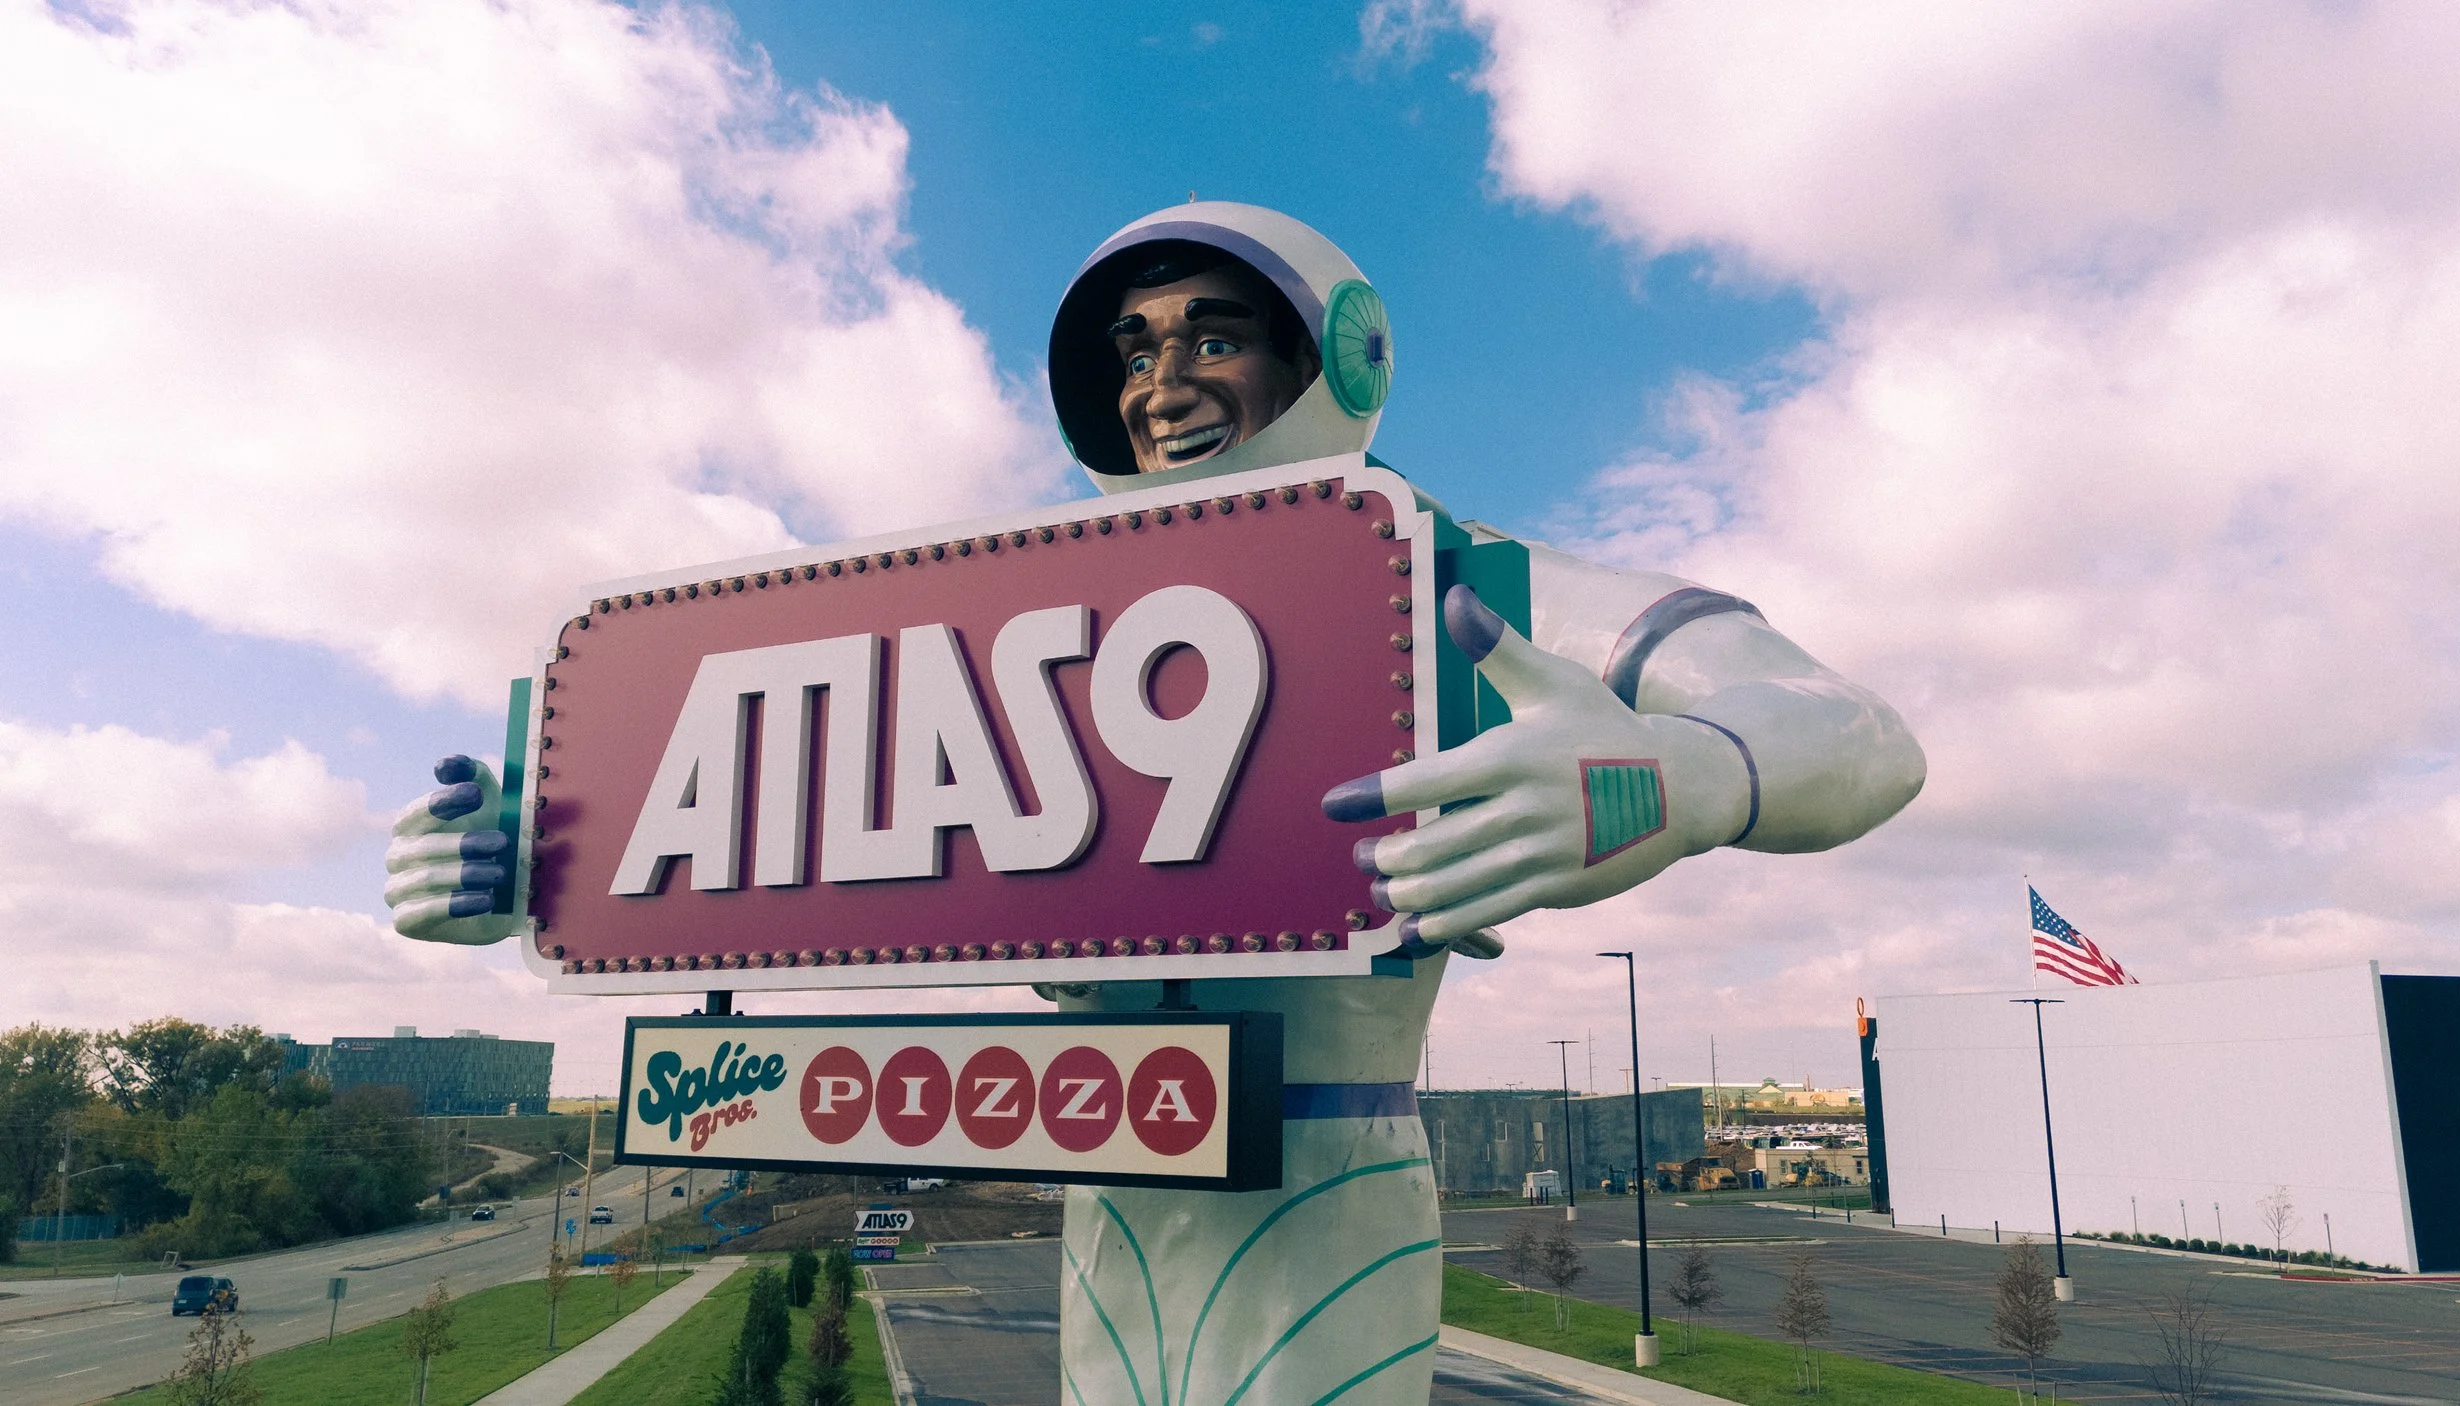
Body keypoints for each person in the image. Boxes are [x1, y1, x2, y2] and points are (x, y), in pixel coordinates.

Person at [384, 202, 1923, 1404]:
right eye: (1134, 350)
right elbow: (779, 800)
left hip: (1324, 1191)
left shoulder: (1439, 578)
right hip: (1108, 1193)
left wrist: (1679, 772)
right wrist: (541, 865)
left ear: (1334, 359)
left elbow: (1858, 732)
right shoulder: (1032, 618)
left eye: (1213, 336)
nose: (1162, 385)